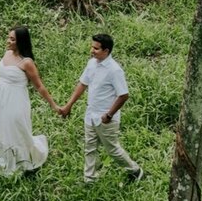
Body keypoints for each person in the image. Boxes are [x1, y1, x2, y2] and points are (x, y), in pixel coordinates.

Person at [59, 32, 143, 183]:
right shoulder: (91, 64)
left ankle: (135, 170)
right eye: (92, 47)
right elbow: (82, 84)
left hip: (106, 119)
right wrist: (68, 105)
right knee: (89, 147)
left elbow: (123, 95)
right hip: (90, 115)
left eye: (96, 48)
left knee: (113, 150)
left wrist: (109, 115)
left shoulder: (114, 70)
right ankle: (89, 178)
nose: (92, 50)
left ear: (106, 51)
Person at [0, 26, 61, 178]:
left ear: (21, 41)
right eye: (8, 37)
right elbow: (1, 79)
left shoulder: (26, 62)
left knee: (16, 129)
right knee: (3, 128)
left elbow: (39, 86)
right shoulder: (7, 54)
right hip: (2, 99)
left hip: (16, 100)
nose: (8, 41)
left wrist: (53, 105)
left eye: (12, 39)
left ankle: (22, 161)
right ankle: (6, 161)